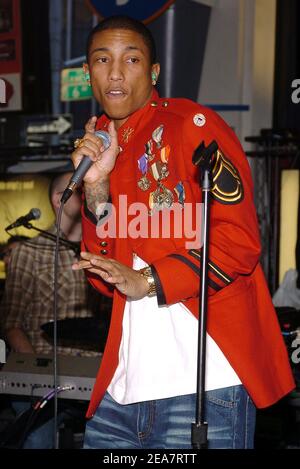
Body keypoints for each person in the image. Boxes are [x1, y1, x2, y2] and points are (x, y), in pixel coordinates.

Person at [71, 16, 295, 449]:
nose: (115, 73)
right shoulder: (100, 144)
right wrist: (96, 183)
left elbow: (239, 242)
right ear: (87, 72)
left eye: (131, 59)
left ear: (154, 72)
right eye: (103, 60)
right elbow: (102, 277)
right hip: (122, 393)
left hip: (204, 387)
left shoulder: (192, 125)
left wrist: (150, 280)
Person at [0, 172, 110, 448]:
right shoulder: (29, 252)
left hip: (95, 374)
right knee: (36, 438)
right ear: (59, 199)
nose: (92, 196)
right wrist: (38, 371)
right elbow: (11, 322)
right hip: (43, 373)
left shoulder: (104, 250)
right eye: (83, 190)